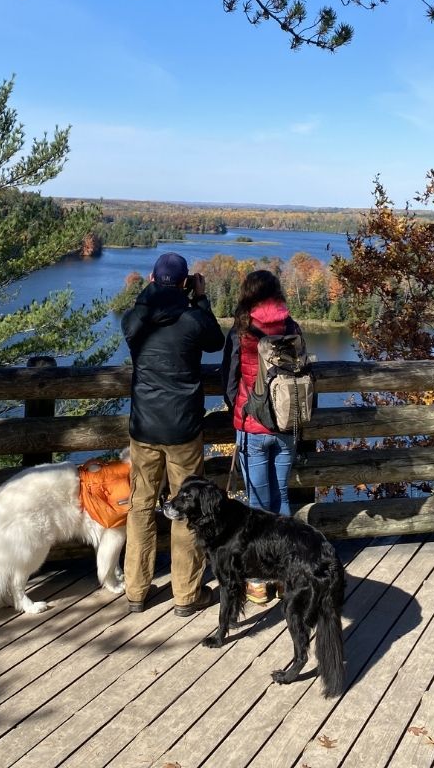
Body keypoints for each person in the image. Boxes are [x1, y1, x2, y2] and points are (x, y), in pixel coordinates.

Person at [121, 251, 225, 615]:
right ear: (185, 282)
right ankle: (186, 593)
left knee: (140, 506)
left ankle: (136, 590)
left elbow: (136, 317)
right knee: (187, 508)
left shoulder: (135, 320)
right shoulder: (194, 319)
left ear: (152, 278)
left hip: (144, 426)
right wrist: (200, 297)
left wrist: (151, 294)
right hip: (183, 428)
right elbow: (216, 341)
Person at [220, 268, 302, 604]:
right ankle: (285, 574)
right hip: (285, 426)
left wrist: (235, 409)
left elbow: (228, 378)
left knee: (257, 505)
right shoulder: (291, 327)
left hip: (252, 427)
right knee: (282, 501)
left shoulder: (241, 330)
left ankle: (256, 580)